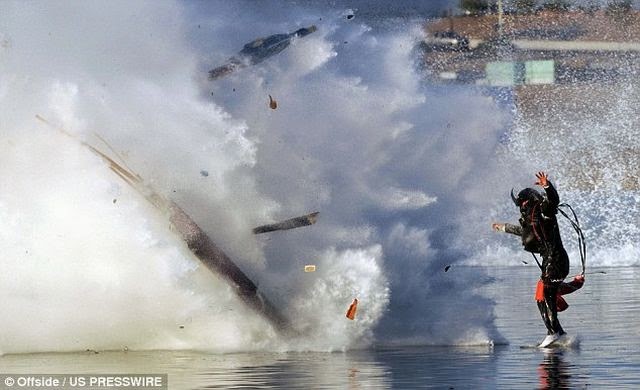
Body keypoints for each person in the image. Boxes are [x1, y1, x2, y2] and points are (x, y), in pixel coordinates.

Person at [492, 171, 572, 347]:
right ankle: (558, 332)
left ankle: (552, 333)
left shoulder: (545, 212)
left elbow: (553, 202)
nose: (522, 208)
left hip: (556, 260)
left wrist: (547, 186)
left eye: (522, 204)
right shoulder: (533, 222)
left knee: (546, 294)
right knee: (540, 296)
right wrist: (503, 227)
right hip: (549, 262)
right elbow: (524, 232)